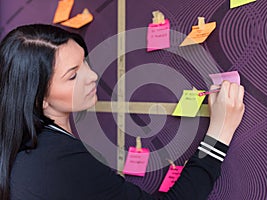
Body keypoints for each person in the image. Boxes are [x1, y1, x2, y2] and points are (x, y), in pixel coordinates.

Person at [0, 24, 245, 200]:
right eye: (73, 75)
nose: (92, 76)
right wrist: (219, 134)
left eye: (85, 61)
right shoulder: (57, 160)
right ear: (39, 98)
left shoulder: (28, 145)